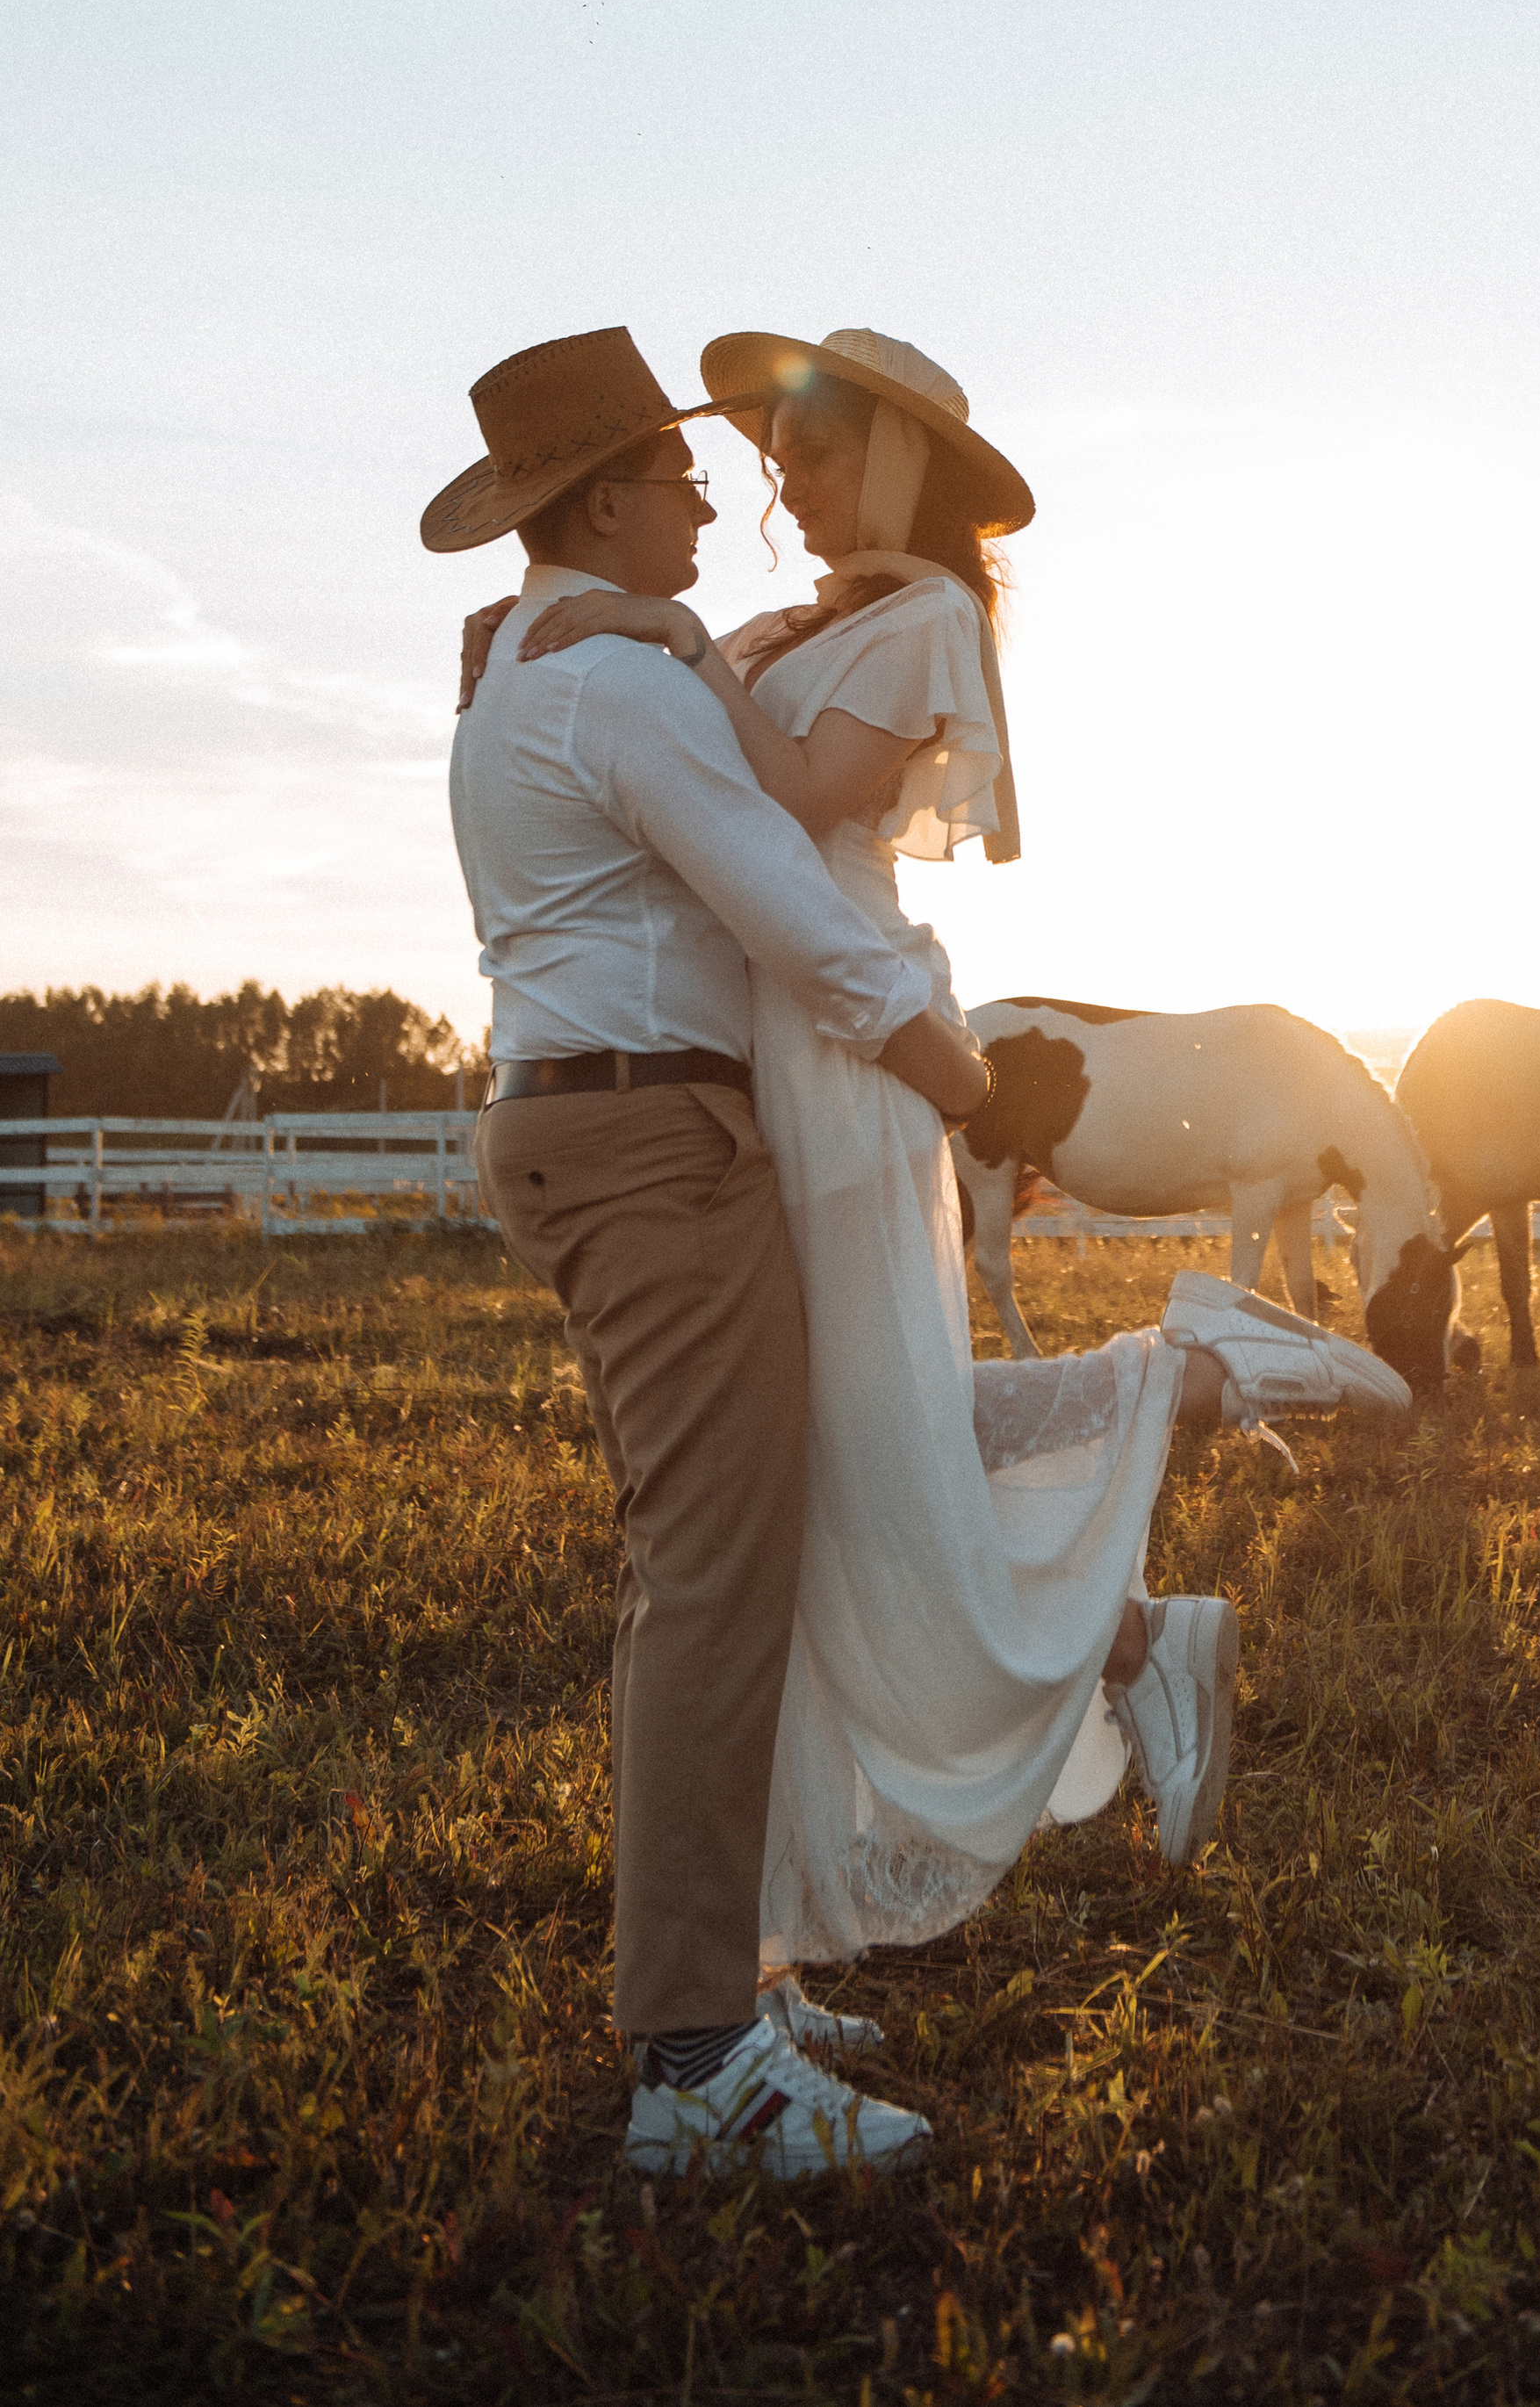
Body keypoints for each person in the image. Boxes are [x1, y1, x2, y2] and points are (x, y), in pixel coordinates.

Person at [464, 323, 1410, 2179]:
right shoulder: (618, 656)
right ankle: (1166, 1468)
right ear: (598, 502)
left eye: (802, 453)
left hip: (819, 1062)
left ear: (900, 464)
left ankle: (1167, 1444)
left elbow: (803, 822)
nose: (746, 488)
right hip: (746, 1078)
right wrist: (622, 641)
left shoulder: (814, 639)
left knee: (833, 1461)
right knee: (827, 1467)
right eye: (716, 466)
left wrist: (949, 1073)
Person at [429, 324, 989, 2184]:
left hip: (616, 1118)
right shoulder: (618, 681)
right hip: (649, 1134)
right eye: (675, 473)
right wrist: (951, 1072)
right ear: (600, 500)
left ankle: (720, 1973)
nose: (709, 495)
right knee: (712, 1574)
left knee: (715, 1562)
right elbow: (788, 910)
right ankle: (692, 2062)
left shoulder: (542, 657)